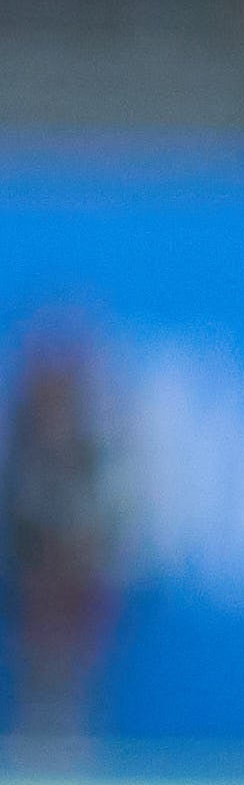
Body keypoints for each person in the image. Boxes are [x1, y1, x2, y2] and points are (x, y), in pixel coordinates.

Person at [4, 310, 123, 761]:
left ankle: (71, 727)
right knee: (38, 607)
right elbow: (17, 509)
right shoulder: (20, 439)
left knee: (78, 600)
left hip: (80, 568)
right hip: (30, 560)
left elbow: (109, 515)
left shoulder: (96, 444)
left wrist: (80, 544)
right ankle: (35, 723)